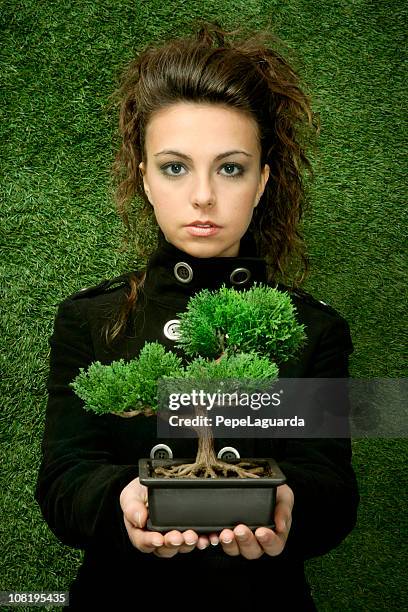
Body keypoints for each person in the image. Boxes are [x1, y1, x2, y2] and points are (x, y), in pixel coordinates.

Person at [35, 21, 359, 610]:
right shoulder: (93, 319)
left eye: (230, 168)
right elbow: (63, 478)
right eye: (175, 167)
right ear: (145, 180)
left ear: (261, 182)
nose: (203, 196)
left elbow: (335, 487)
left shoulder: (312, 328)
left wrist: (286, 503)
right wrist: (124, 500)